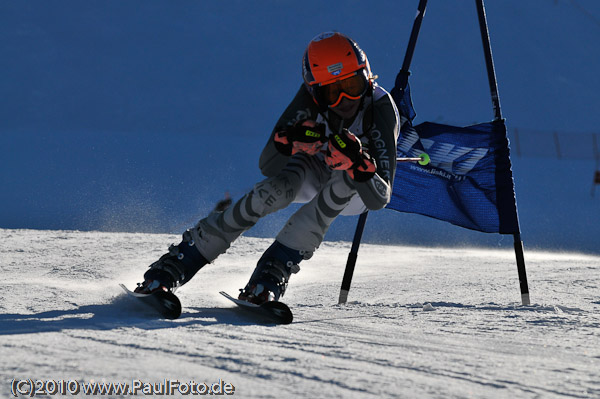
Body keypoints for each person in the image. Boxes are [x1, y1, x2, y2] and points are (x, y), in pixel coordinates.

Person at [135, 31, 400, 304]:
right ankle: (177, 263)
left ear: (368, 77)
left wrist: (357, 164)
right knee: (273, 191)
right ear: (315, 91)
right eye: (332, 92)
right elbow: (268, 165)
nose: (345, 100)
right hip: (315, 167)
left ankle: (273, 271)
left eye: (353, 85)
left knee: (342, 184)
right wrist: (290, 143)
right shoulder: (309, 99)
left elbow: (380, 198)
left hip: (358, 190)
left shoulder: (380, 108)